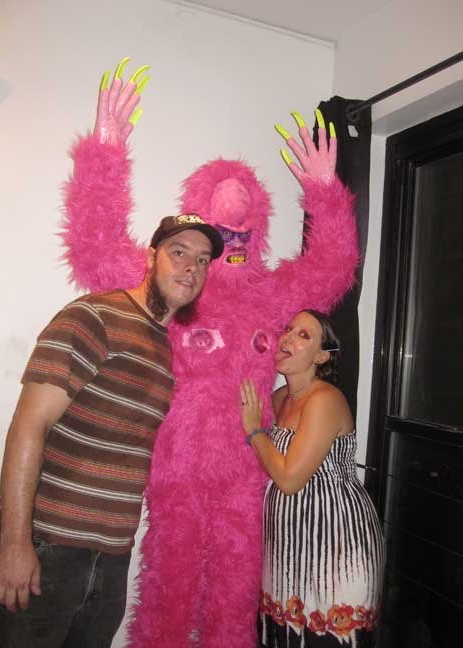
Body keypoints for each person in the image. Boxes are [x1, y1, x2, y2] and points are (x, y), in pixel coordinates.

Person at [61, 59, 359, 647]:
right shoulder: (176, 282)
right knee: (168, 592)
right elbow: (96, 247)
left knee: (233, 595)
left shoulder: (272, 294)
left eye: (242, 235)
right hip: (175, 470)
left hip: (247, 471)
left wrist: (326, 192)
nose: (227, 250)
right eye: (219, 239)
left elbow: (332, 268)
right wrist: (105, 151)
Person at [0, 214, 224, 648]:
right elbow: (28, 426)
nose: (192, 268)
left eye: (203, 260)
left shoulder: (162, 348)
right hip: (46, 549)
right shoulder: (94, 317)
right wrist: (15, 543)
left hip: (111, 561)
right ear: (151, 257)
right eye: (179, 252)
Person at [240, 309, 384, 648]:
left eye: (303, 335)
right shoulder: (278, 399)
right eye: (288, 329)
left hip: (336, 547)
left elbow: (290, 479)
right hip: (289, 549)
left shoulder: (325, 399)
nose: (288, 337)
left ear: (321, 356)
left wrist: (254, 430)